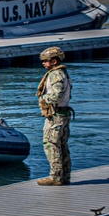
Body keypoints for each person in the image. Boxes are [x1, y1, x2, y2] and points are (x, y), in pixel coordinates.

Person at [36, 46, 73, 186]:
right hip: (64, 113)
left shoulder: (55, 74)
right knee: (62, 145)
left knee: (51, 144)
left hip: (56, 114)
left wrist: (44, 99)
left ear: (54, 61)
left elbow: (57, 95)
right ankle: (65, 175)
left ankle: (56, 177)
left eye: (46, 60)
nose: (43, 63)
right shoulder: (63, 73)